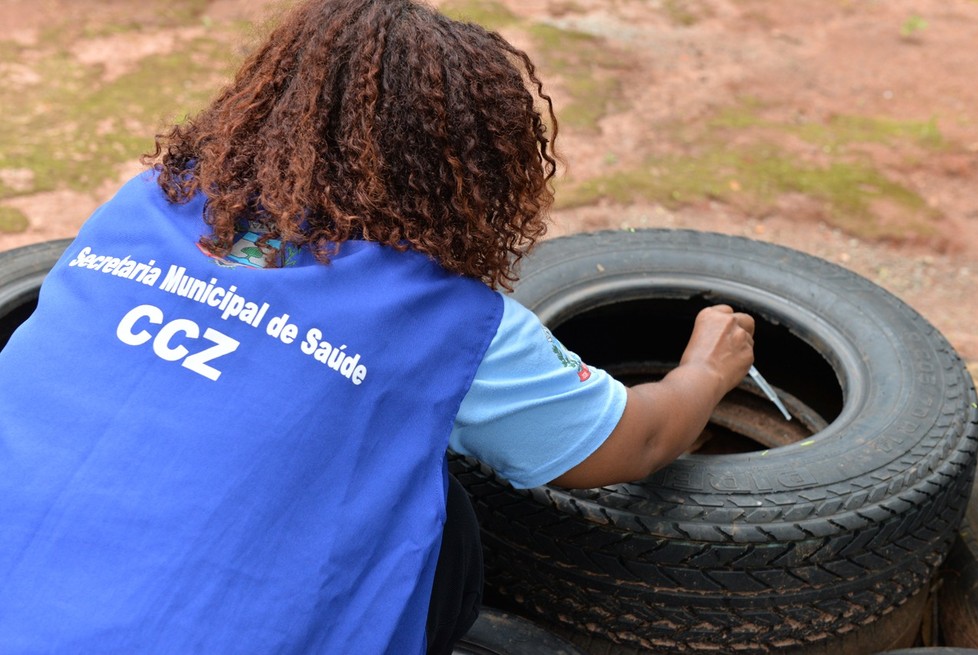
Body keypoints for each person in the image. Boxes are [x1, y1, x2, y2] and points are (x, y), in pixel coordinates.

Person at [0, 0, 754, 653]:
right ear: (473, 171)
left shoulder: (134, 214)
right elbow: (640, 442)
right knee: (440, 508)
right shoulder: (446, 322)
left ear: (269, 100)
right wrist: (707, 369)